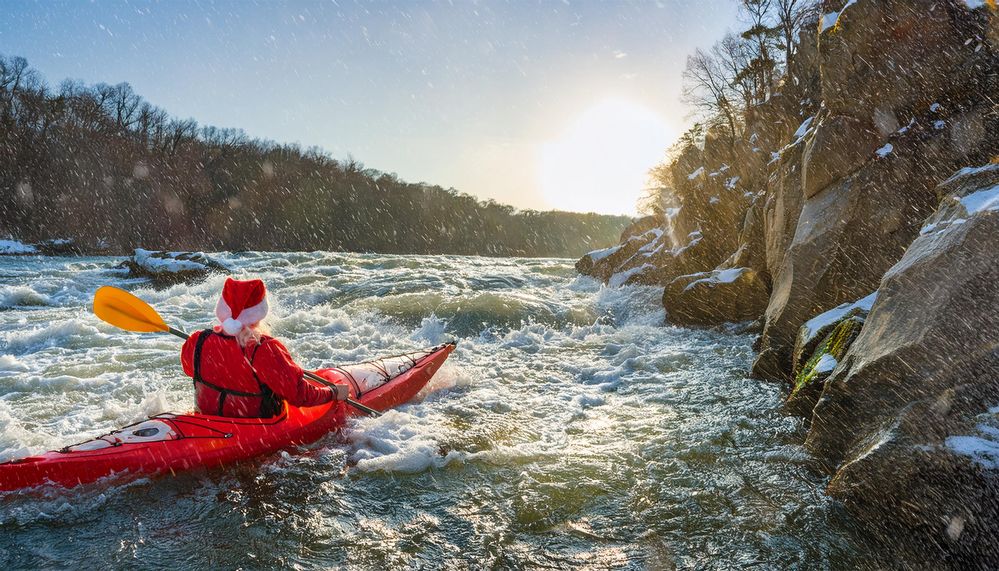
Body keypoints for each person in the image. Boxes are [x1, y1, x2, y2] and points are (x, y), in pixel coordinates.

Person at [180, 277, 348, 418]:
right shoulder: (265, 349)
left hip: (208, 420)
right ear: (259, 314)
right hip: (252, 426)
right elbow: (298, 395)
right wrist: (332, 393)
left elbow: (190, 370)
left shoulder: (198, 340)